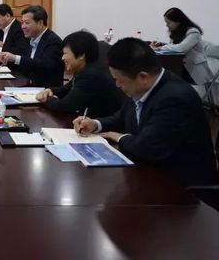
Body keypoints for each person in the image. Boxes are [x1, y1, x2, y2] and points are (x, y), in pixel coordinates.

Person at [73, 38, 218, 187]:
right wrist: (95, 124)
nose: (117, 85)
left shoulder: (175, 98)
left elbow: (147, 147)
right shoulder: (141, 87)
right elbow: (121, 118)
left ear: (143, 77)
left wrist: (119, 137)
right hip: (149, 174)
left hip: (184, 189)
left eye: (120, 80)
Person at [36, 31, 123, 117]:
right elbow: (68, 88)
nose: (62, 58)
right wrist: (51, 90)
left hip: (102, 123)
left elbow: (64, 106)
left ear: (81, 55)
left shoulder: (91, 75)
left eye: (65, 53)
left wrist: (45, 98)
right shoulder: (87, 68)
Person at [0, 5, 63, 87]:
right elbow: (26, 62)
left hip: (44, 89)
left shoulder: (53, 41)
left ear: (40, 23)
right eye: (22, 22)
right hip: (27, 85)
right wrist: (4, 59)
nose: (23, 26)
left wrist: (15, 58)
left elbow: (44, 66)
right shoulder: (31, 38)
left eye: (27, 23)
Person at [151, 7, 215, 88]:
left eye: (168, 23)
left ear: (178, 21)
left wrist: (160, 48)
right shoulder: (176, 32)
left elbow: (181, 48)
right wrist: (161, 44)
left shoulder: (193, 32)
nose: (167, 25)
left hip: (194, 71)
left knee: (167, 80)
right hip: (180, 67)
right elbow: (173, 46)